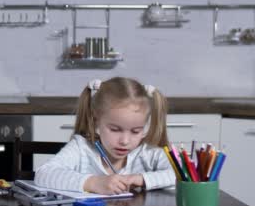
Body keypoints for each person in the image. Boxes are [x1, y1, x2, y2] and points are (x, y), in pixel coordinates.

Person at [34, 77, 174, 195]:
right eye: (115, 129)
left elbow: (182, 174)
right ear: (96, 122)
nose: (125, 141)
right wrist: (93, 183)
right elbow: (44, 174)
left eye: (136, 131)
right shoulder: (81, 148)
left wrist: (141, 179)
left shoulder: (148, 153)